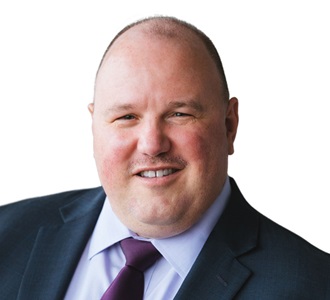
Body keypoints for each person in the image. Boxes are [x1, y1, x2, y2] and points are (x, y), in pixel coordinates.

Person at [1, 16, 330, 300]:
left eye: (179, 113)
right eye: (127, 117)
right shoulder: (7, 235)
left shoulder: (312, 285)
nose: (152, 144)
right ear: (94, 126)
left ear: (229, 126)